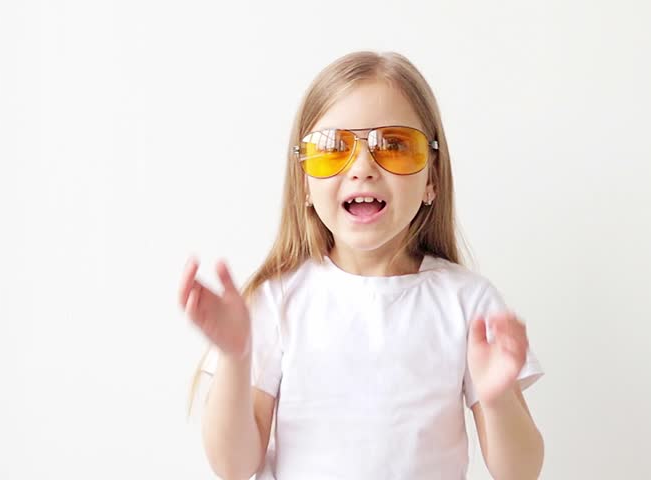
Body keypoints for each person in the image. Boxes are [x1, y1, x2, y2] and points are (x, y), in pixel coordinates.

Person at [177, 50, 545, 480]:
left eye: (394, 146)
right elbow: (234, 466)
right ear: (305, 185)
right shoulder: (277, 299)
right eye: (333, 149)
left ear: (431, 179)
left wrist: (497, 395)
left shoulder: (466, 300)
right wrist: (235, 357)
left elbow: (520, 472)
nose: (363, 168)